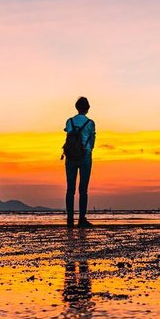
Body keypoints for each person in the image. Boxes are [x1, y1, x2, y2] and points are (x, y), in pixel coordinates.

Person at [63, 96, 96, 228]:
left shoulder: (69, 121)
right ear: (87, 108)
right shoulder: (90, 123)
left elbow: (68, 136)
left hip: (70, 157)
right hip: (85, 156)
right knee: (83, 189)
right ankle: (82, 219)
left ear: (76, 107)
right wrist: (87, 149)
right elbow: (92, 141)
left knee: (70, 189)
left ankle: (70, 219)